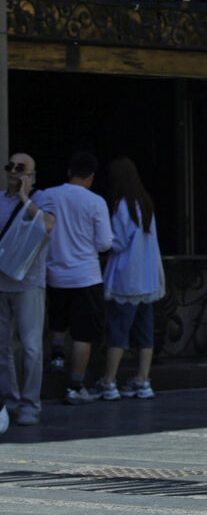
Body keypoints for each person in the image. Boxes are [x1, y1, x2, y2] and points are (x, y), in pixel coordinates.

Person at [94, 157, 165, 400]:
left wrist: (100, 241)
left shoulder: (122, 205)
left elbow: (119, 241)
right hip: (146, 279)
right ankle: (143, 380)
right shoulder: (144, 203)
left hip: (127, 277)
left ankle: (108, 381)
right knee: (145, 332)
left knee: (118, 331)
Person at [44, 151, 113, 404]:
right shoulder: (95, 202)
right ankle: (75, 385)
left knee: (58, 320)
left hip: (55, 273)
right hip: (85, 275)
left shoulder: (47, 196)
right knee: (83, 333)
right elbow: (105, 242)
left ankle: (57, 354)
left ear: (69, 171)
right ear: (92, 176)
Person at [0, 152, 55, 426]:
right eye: (10, 166)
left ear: (31, 175)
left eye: (20, 168)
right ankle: (9, 401)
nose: (13, 171)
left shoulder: (42, 199)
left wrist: (24, 197)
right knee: (2, 346)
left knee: (31, 345)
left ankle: (30, 403)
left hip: (29, 282)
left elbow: (47, 224)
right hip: (1, 281)